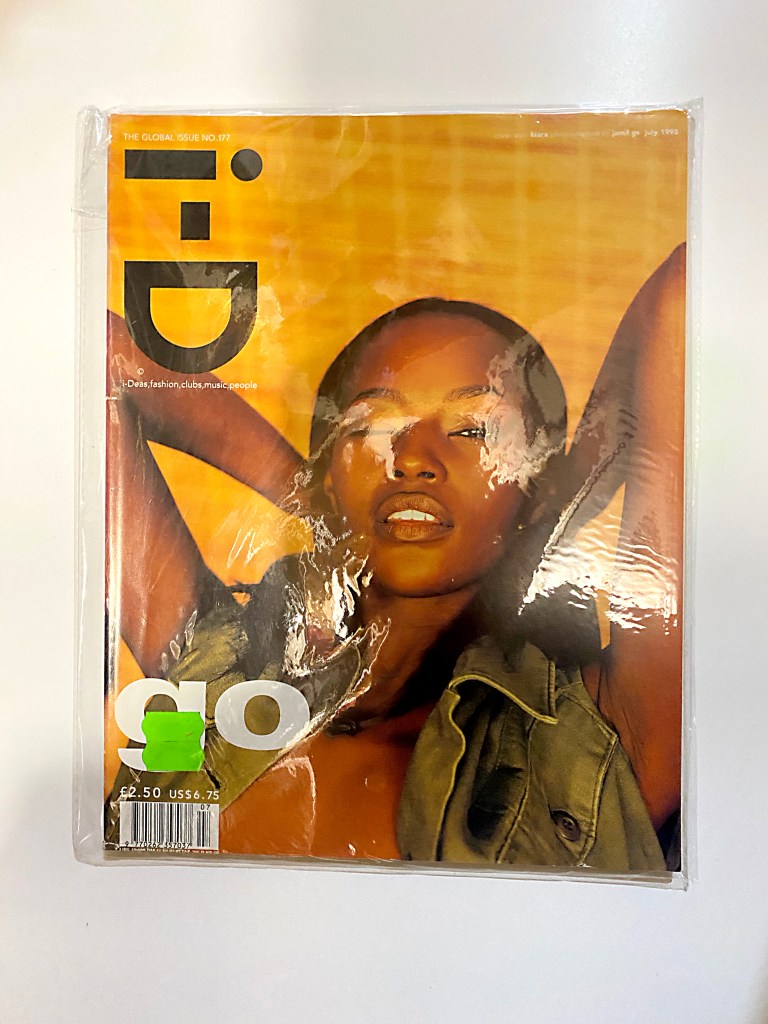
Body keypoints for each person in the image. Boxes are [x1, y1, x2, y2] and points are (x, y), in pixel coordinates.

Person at [105, 244, 685, 872]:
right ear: (333, 472)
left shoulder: (599, 738)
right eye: (372, 426)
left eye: (474, 430)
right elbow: (98, 359)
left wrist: (568, 494)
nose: (410, 457)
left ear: (535, 482)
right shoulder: (220, 671)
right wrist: (307, 493)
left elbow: (683, 293)